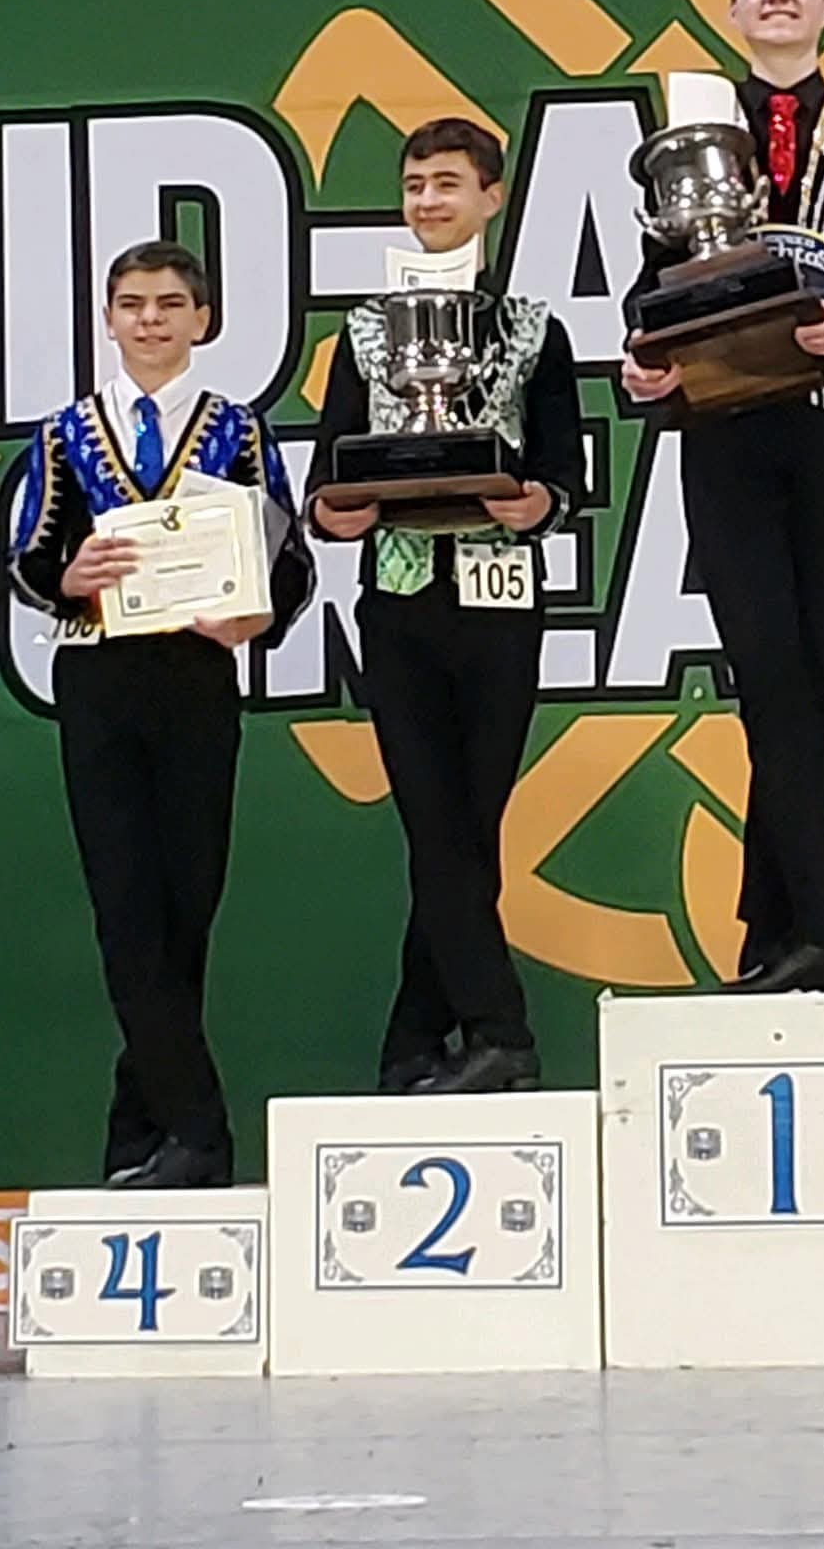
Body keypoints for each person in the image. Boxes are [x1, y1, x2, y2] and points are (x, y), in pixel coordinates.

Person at [621, 0, 824, 993]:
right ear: (732, 11)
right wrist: (643, 363)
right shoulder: (692, 131)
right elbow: (652, 284)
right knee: (767, 676)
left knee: (806, 686)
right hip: (724, 430)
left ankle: (772, 928)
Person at [8, 240, 313, 1187]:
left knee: (187, 903)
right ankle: (199, 1135)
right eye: (133, 304)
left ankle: (138, 1134)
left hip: (196, 677)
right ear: (107, 319)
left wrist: (260, 615)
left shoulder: (239, 432)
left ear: (202, 320)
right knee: (125, 905)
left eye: (170, 304)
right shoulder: (64, 435)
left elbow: (287, 557)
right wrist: (68, 575)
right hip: (99, 677)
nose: (150, 320)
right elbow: (26, 558)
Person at [306, 118, 585, 1095]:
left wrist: (539, 503)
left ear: (491, 199)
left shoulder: (536, 329)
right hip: (399, 601)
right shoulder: (364, 332)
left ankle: (413, 1043)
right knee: (436, 823)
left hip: (501, 601)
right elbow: (328, 473)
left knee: (468, 827)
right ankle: (499, 1032)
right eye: (415, 184)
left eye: (448, 183)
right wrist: (338, 511)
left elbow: (566, 471)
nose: (428, 199)